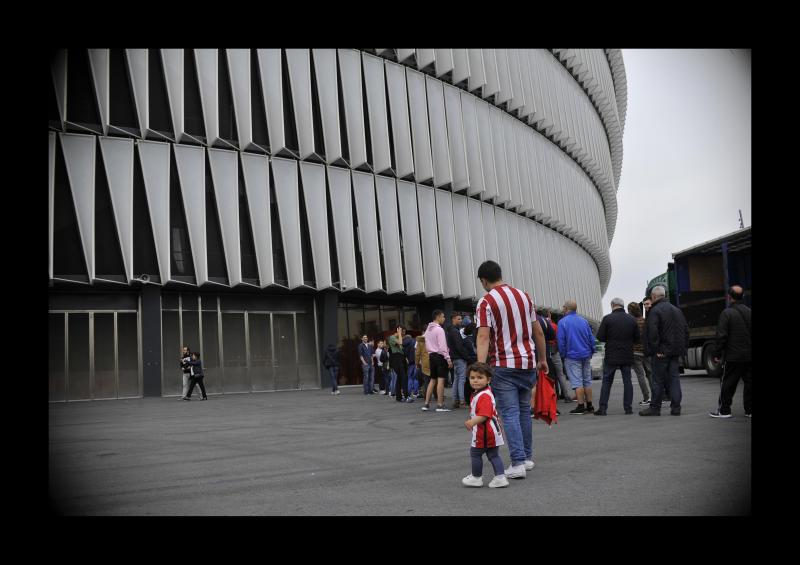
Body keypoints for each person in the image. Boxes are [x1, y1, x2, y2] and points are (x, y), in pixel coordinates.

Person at [475, 260, 548, 480]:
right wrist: (542, 358)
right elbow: (539, 332)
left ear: (484, 280)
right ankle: (526, 457)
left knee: (509, 414)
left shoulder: (486, 302)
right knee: (524, 411)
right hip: (527, 362)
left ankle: (517, 462)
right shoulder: (525, 298)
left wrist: (480, 368)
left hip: (503, 364)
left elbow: (483, 336)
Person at [640, 285, 689, 416]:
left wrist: (656, 349)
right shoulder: (677, 310)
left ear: (654, 297)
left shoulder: (655, 311)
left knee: (658, 380)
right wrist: (682, 348)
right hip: (675, 351)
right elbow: (685, 330)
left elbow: (652, 333)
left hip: (661, 352)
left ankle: (655, 408)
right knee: (674, 379)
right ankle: (676, 408)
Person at [461, 362, 509, 489]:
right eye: (472, 378)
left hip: (485, 431)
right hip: (492, 430)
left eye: (479, 377)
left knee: (475, 453)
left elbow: (485, 414)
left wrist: (472, 422)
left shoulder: (484, 395)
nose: (475, 380)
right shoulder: (481, 392)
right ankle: (500, 477)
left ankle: (476, 477)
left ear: (488, 380)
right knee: (493, 454)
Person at [709, 285, 751, 418]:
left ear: (729, 297)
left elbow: (721, 336)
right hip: (749, 356)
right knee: (750, 383)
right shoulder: (750, 312)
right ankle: (750, 410)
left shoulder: (726, 313)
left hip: (733, 356)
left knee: (727, 383)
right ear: (742, 296)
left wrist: (717, 354)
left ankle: (724, 410)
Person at [595, 298, 639, 415]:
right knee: (627, 381)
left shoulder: (607, 319)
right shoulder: (631, 319)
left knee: (607, 382)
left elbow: (600, 337)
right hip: (627, 354)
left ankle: (603, 408)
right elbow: (637, 338)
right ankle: (628, 408)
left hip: (612, 355)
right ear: (622, 306)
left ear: (612, 305)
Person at [557, 300, 596, 415]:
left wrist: (563, 354)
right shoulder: (584, 321)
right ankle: (590, 405)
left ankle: (580, 405)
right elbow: (591, 338)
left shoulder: (563, 322)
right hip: (586, 354)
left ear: (566, 308)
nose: (563, 308)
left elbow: (561, 341)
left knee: (577, 381)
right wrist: (591, 350)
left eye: (563, 307)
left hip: (572, 355)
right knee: (587, 380)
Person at [421, 310, 452, 412]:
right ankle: (440, 405)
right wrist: (448, 359)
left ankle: (426, 404)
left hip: (431, 357)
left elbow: (419, 343)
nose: (444, 319)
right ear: (438, 317)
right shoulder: (439, 330)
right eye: (443, 317)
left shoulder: (428, 330)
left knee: (432, 380)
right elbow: (443, 347)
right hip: (439, 356)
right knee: (441, 380)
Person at [542, 309, 571, 403]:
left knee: (548, 375)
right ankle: (566, 396)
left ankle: (553, 397)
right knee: (560, 374)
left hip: (544, 352)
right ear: (549, 315)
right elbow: (559, 339)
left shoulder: (540, 324)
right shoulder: (555, 326)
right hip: (555, 351)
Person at [627, 302, 652, 406]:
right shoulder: (646, 321)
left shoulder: (631, 322)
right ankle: (657, 396)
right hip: (647, 351)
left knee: (640, 376)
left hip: (635, 352)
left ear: (630, 311)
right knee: (650, 374)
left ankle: (647, 398)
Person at [447, 313, 470, 409]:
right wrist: (467, 357)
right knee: (461, 379)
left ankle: (455, 400)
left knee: (456, 379)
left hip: (454, 358)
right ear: (453, 319)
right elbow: (459, 346)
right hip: (460, 358)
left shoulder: (450, 331)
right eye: (459, 319)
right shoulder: (455, 332)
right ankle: (462, 401)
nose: (461, 321)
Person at [389, 326, 410, 402]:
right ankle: (406, 395)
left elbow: (402, 349)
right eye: (402, 332)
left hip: (401, 358)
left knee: (400, 378)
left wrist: (406, 359)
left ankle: (399, 396)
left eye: (404, 332)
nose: (403, 334)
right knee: (403, 377)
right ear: (398, 330)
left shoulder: (399, 338)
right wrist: (399, 333)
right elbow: (400, 343)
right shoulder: (392, 337)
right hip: (396, 358)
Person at [462, 322, 478, 405]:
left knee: (468, 380)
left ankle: (467, 399)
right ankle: (471, 398)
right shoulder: (472, 340)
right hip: (474, 361)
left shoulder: (465, 340)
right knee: (474, 380)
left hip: (469, 362)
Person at [403, 330, 419, 398]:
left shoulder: (403, 344)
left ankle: (409, 392)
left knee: (409, 378)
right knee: (415, 378)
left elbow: (404, 354)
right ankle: (415, 392)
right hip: (415, 361)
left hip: (409, 362)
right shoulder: (414, 341)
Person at [415, 334, 431, 400]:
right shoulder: (432, 337)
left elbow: (417, 353)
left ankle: (426, 396)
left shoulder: (420, 341)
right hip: (433, 359)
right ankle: (436, 394)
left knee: (426, 380)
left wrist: (417, 363)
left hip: (424, 362)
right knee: (434, 379)